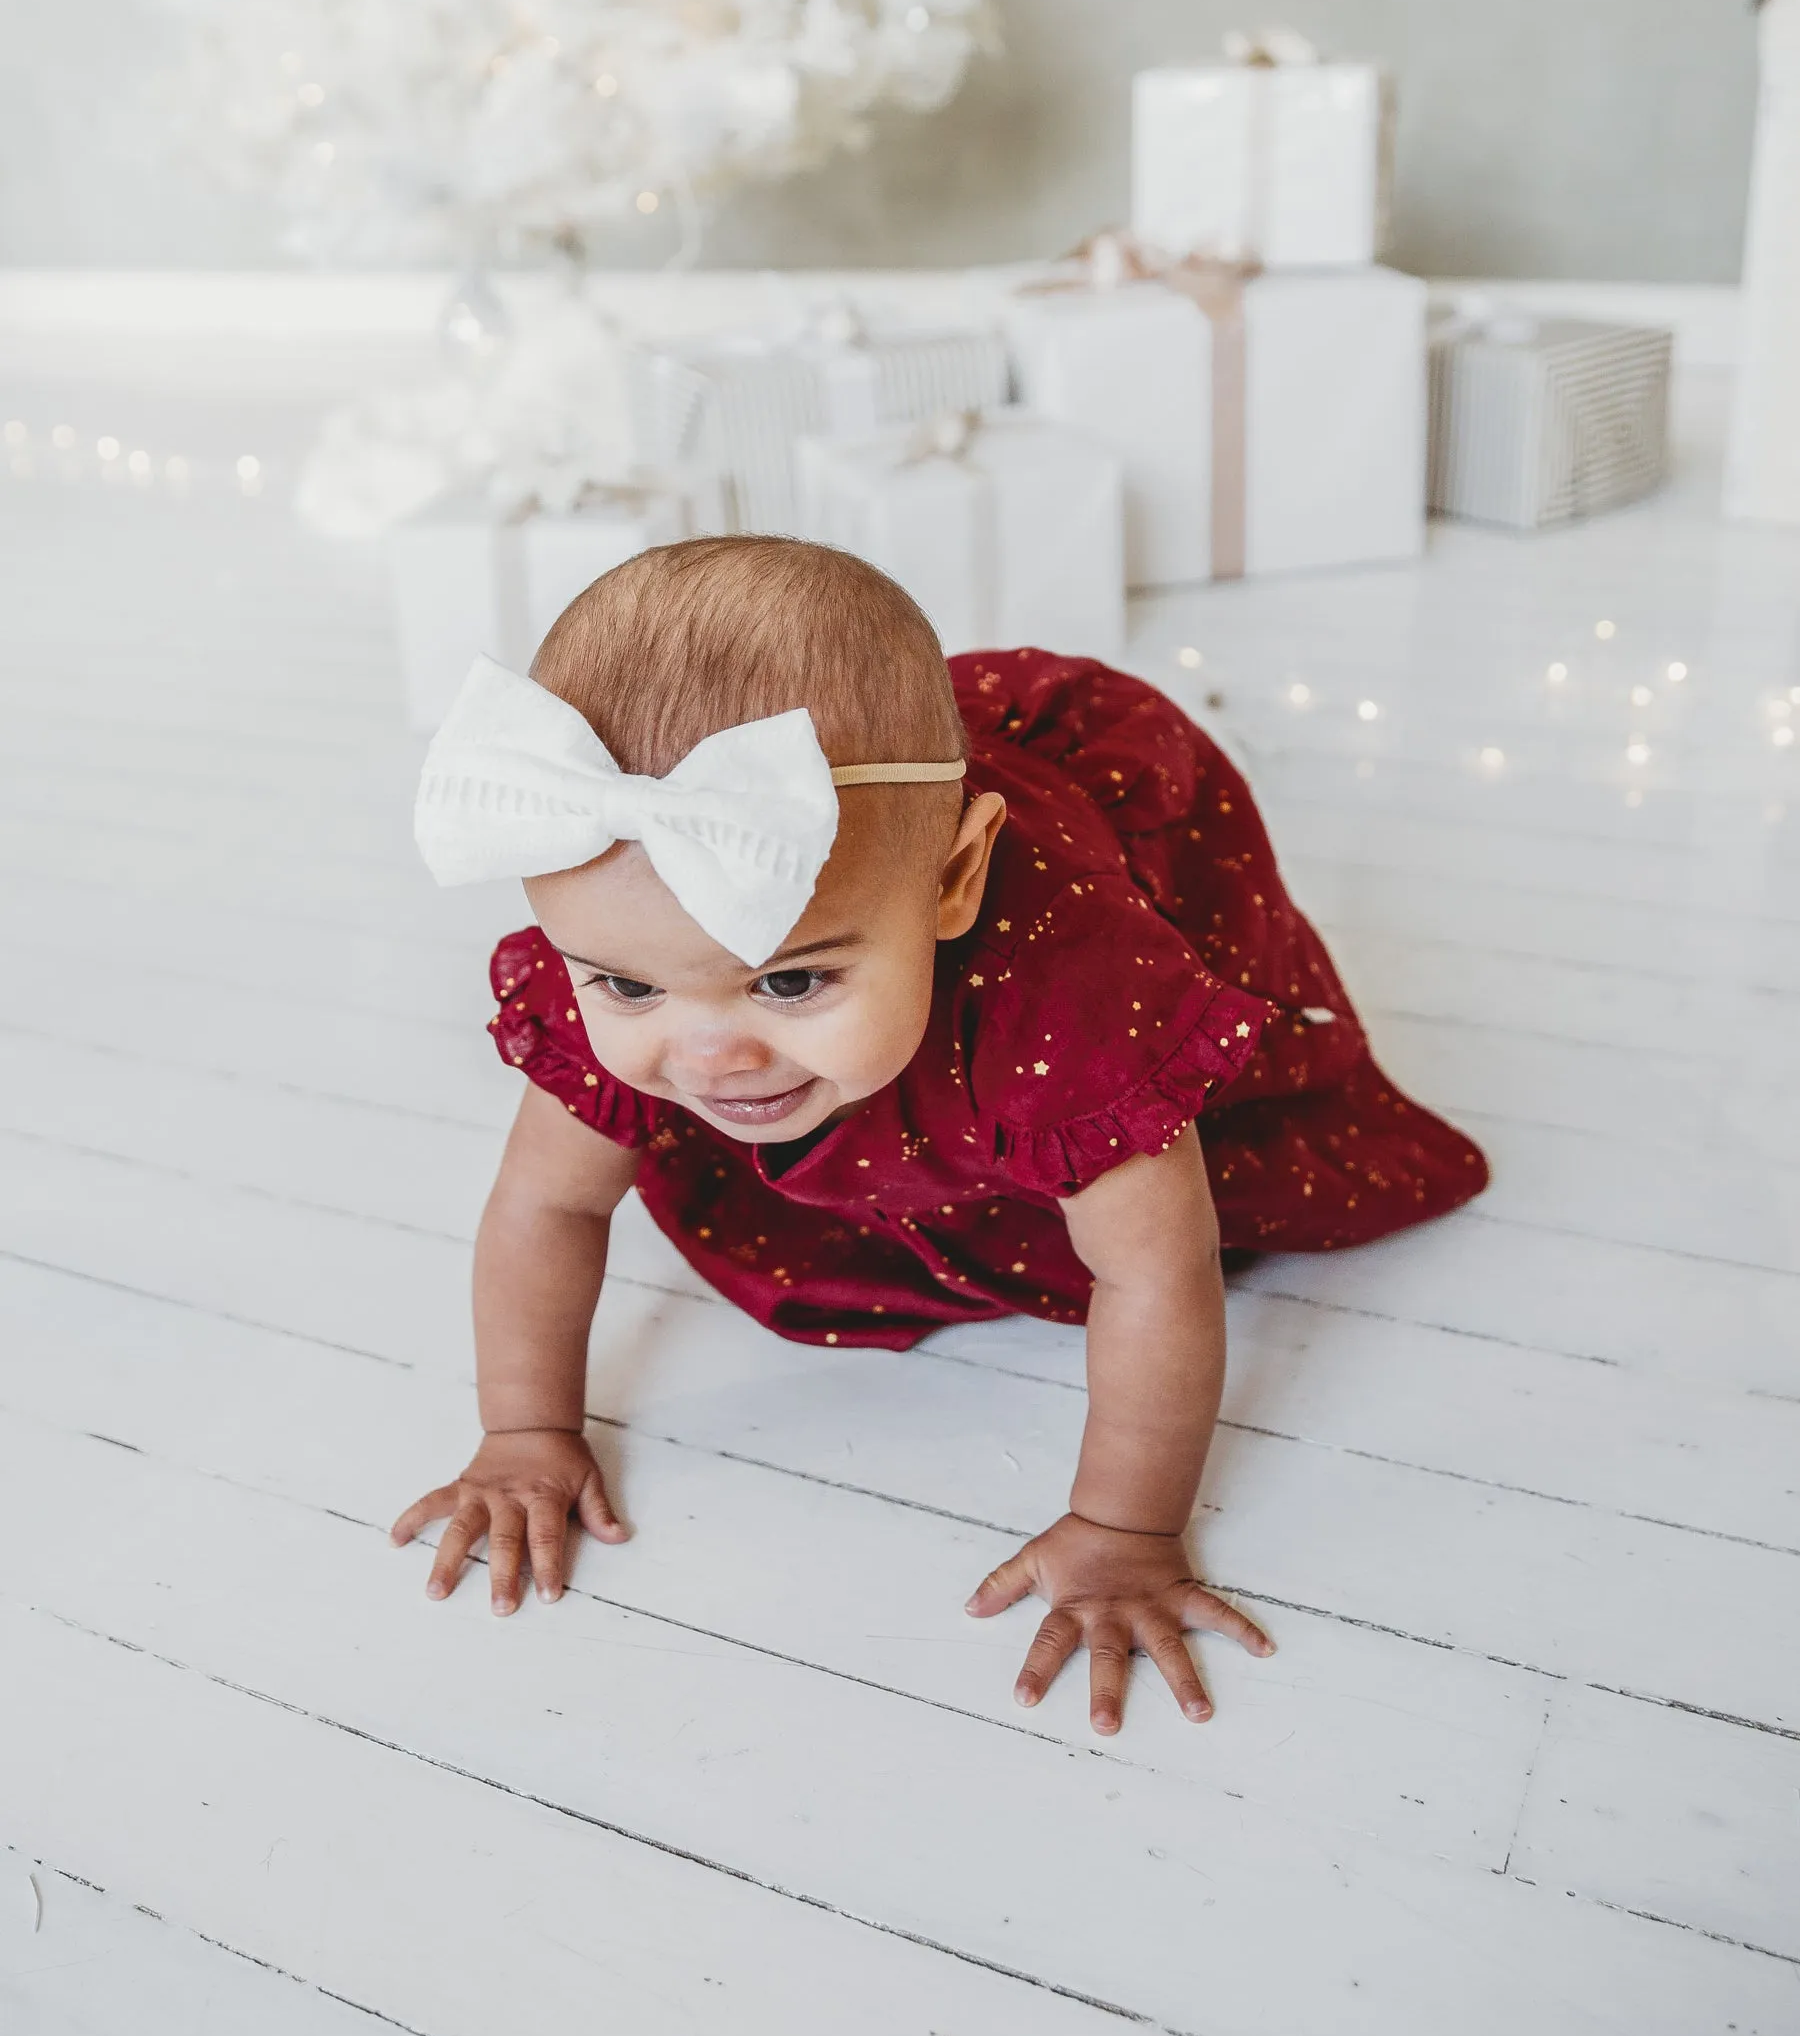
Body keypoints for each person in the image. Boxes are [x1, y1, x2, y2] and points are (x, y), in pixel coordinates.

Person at [391, 537, 1487, 1733]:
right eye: (630, 990)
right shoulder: (629, 943)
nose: (708, 1057)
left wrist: (1128, 1527)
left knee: (1164, 1187)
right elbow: (548, 1203)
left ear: (955, 880)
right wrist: (526, 1428)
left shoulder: (1067, 993)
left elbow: (1154, 1272)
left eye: (792, 981)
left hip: (1047, 937)